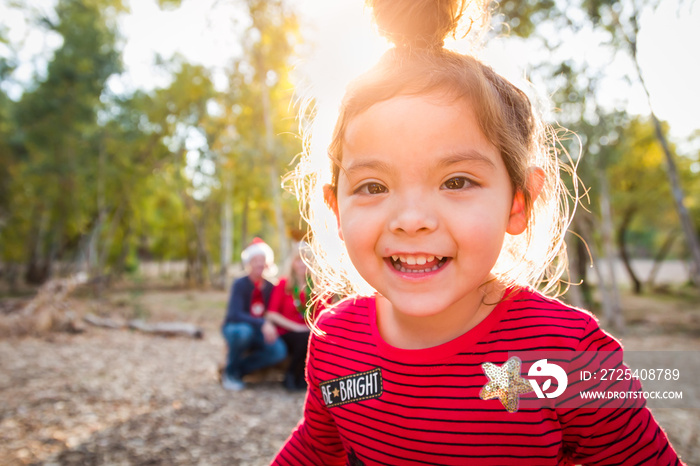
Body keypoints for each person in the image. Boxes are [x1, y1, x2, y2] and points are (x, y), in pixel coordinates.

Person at [272, 0, 683, 464]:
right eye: (373, 186)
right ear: (337, 212)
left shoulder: (566, 352)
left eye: (456, 182)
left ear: (518, 201)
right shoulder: (335, 342)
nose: (411, 219)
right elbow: (315, 447)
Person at [221, 238, 287, 391]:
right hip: (236, 327)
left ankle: (238, 370)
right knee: (243, 332)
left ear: (268, 263)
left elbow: (273, 311)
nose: (259, 264)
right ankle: (230, 374)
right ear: (249, 263)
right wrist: (262, 323)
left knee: (278, 351)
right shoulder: (240, 284)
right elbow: (235, 314)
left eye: (262, 260)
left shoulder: (271, 286)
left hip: (260, 331)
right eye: (255, 260)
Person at [264, 243, 314, 392]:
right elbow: (271, 313)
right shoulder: (283, 284)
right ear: (292, 262)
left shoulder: (317, 287)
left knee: (310, 337)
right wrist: (297, 327)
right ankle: (291, 375)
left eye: (307, 260)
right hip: (287, 332)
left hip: (309, 331)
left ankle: (306, 378)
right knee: (303, 337)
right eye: (299, 260)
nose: (302, 264)